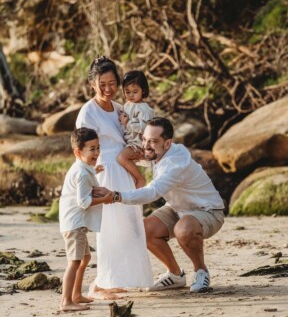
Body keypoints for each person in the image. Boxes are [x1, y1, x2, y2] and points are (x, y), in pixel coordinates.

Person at [96, 117, 225, 293]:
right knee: (145, 230)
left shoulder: (175, 163)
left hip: (208, 211)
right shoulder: (157, 152)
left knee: (183, 229)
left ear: (168, 143)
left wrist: (116, 196)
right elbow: (128, 156)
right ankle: (175, 275)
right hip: (178, 208)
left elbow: (151, 193)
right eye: (144, 139)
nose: (146, 145)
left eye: (153, 141)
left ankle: (201, 271)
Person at [76, 56, 153, 297]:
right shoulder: (87, 112)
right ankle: (100, 282)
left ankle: (118, 278)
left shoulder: (122, 108)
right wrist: (89, 178)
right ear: (92, 84)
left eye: (112, 83)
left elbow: (132, 136)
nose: (108, 89)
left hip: (125, 171)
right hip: (104, 171)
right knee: (108, 228)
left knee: (129, 226)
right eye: (103, 84)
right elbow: (82, 149)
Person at [59, 127, 113, 311]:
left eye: (98, 148)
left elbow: (83, 183)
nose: (96, 153)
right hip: (74, 224)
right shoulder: (82, 173)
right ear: (78, 151)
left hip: (76, 223)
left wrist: (94, 171)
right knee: (74, 261)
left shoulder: (83, 169)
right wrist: (105, 199)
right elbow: (83, 202)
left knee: (85, 258)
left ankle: (76, 294)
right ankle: (66, 301)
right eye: (92, 149)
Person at [117, 70, 155, 189]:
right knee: (127, 163)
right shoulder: (127, 105)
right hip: (129, 141)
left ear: (143, 90)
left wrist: (128, 122)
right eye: (127, 92)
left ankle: (140, 179)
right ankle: (134, 180)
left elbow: (145, 128)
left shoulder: (144, 109)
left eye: (135, 92)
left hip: (138, 143)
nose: (131, 95)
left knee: (122, 158)